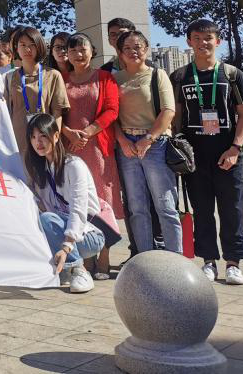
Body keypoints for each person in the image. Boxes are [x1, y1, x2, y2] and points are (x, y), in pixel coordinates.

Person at [171, 19, 243, 286]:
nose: (203, 42)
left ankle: (233, 263)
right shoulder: (181, 76)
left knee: (231, 209)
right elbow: (177, 115)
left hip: (227, 153)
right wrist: (178, 147)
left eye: (208, 38)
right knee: (202, 210)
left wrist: (235, 148)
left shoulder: (232, 74)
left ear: (218, 41)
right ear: (189, 42)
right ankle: (208, 260)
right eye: (197, 37)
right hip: (195, 157)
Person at [112, 29, 182, 254]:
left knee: (166, 206)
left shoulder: (157, 75)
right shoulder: (114, 80)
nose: (133, 52)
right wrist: (122, 140)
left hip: (156, 144)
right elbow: (111, 115)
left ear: (146, 49)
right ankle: (143, 258)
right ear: (120, 54)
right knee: (137, 207)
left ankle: (175, 258)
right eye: (128, 48)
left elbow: (168, 111)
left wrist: (148, 139)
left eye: (138, 47)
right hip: (127, 147)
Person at [61, 32, 122, 279]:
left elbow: (111, 110)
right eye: (73, 50)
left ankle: (105, 253)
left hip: (97, 147)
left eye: (83, 49)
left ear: (92, 51)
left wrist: (86, 133)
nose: (78, 54)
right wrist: (68, 133)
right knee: (78, 200)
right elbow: (54, 111)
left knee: (102, 200)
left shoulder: (105, 78)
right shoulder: (61, 78)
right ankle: (86, 255)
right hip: (70, 148)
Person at [26, 113, 105, 294]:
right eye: (33, 137)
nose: (38, 142)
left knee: (47, 219)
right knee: (39, 218)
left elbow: (78, 210)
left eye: (43, 136)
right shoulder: (41, 171)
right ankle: (64, 271)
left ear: (55, 135)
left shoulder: (73, 165)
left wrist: (67, 245)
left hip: (88, 235)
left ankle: (79, 270)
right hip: (64, 232)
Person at [4, 26, 70, 155]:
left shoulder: (53, 75)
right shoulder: (9, 77)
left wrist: (53, 139)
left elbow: (58, 111)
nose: (27, 49)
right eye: (22, 45)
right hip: (19, 140)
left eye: (32, 45)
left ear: (39, 46)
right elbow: (6, 112)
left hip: (46, 140)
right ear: (16, 48)